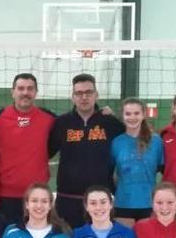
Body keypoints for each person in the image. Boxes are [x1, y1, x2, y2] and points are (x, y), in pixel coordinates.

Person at [48, 73, 125, 229]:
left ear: (96, 95)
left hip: (100, 201)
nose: (84, 97)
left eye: (88, 93)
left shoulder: (110, 123)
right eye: (79, 93)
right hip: (68, 200)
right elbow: (45, 153)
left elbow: (129, 144)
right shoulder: (61, 123)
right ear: (73, 97)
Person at [0, 73, 57, 225]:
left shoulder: (50, 119)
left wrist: (101, 114)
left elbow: (74, 125)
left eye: (30, 89)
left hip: (38, 196)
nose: (25, 92)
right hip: (6, 197)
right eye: (21, 88)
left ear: (36, 92)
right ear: (13, 92)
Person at [111, 98, 164, 228]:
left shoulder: (156, 141)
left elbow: (161, 168)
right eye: (128, 114)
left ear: (143, 115)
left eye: (136, 113)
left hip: (149, 203)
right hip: (123, 203)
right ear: (122, 116)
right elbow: (112, 172)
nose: (132, 117)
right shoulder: (116, 142)